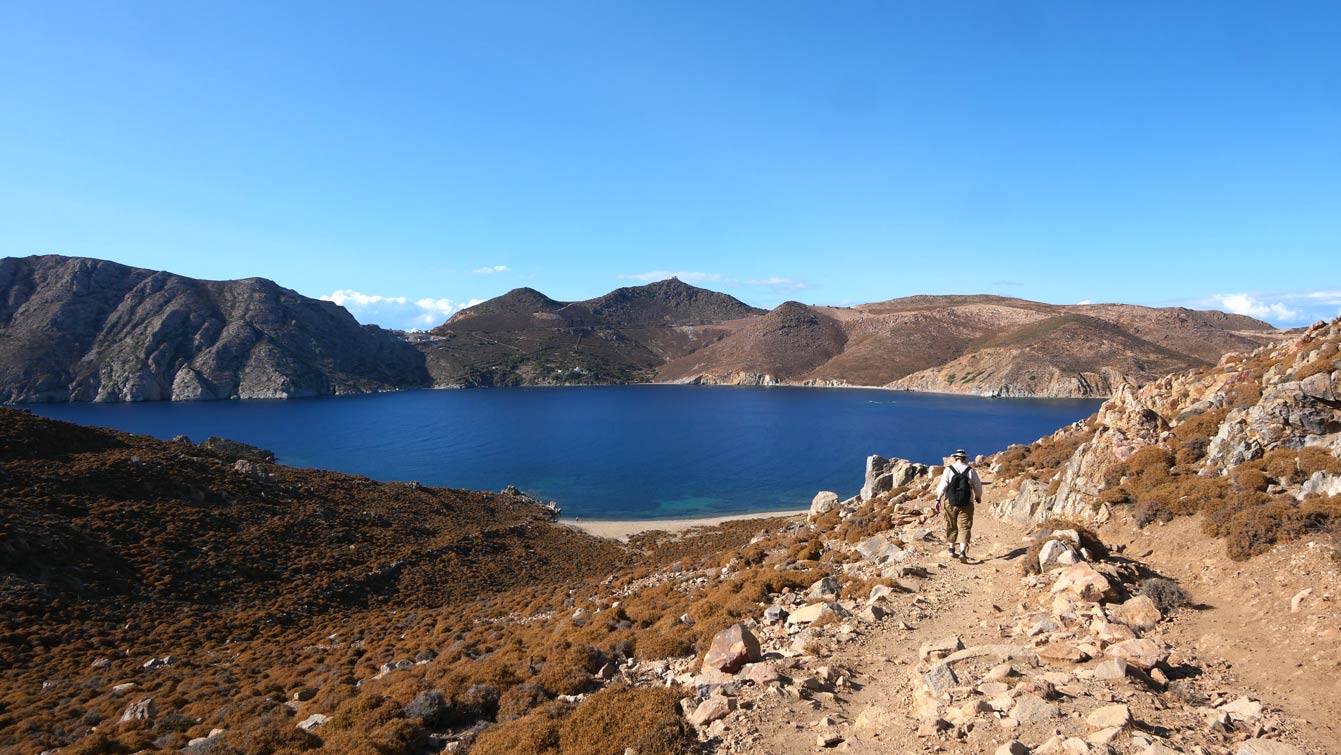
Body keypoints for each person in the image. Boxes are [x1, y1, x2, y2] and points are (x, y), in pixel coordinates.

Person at [935, 449, 982, 561]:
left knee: (951, 524)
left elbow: (943, 485)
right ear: (965, 458)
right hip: (966, 502)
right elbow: (978, 487)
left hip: (950, 502)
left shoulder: (948, 470)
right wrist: (977, 497)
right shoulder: (971, 470)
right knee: (964, 526)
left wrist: (938, 499)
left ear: (955, 457)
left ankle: (951, 549)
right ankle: (962, 552)